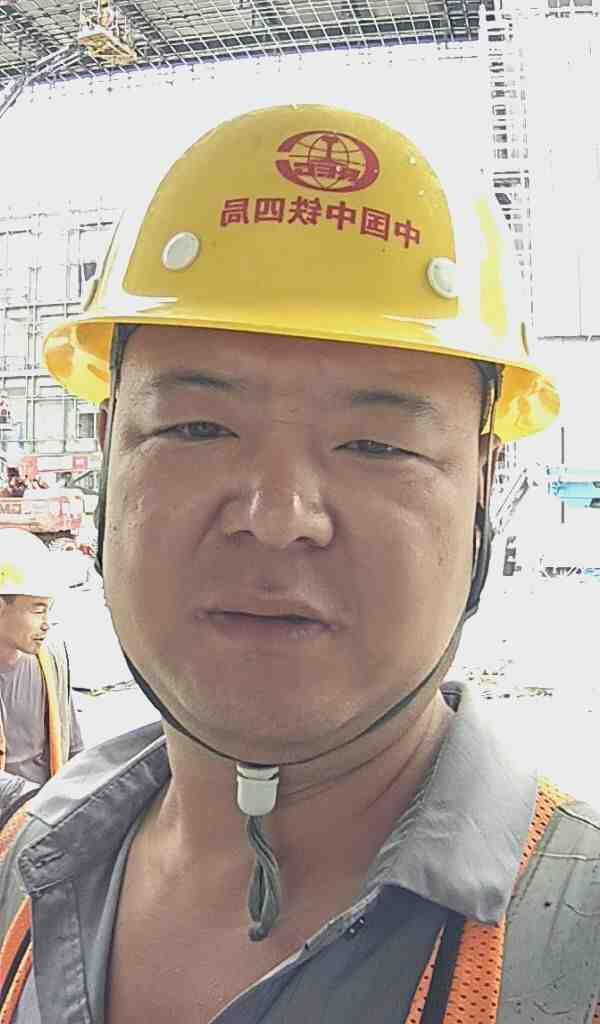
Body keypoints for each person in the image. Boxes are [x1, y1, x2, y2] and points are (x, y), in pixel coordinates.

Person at [2, 105, 597, 1024]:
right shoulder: (23, 867)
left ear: (485, 486)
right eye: (198, 428)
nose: (278, 520)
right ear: (110, 452)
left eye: (377, 444)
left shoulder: (573, 945)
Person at [0, 529, 83, 795]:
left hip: (47, 808)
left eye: (49, 610)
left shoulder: (51, 658)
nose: (46, 624)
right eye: (37, 610)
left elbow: (72, 744)